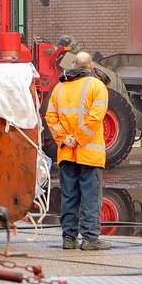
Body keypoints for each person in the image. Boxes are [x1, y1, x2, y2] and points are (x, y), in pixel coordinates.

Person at [45, 51, 111, 250]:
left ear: (73, 65)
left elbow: (50, 117)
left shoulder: (59, 88)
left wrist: (65, 139)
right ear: (91, 67)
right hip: (89, 154)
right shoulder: (97, 86)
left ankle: (69, 238)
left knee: (69, 196)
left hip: (66, 153)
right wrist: (79, 139)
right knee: (90, 197)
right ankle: (90, 239)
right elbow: (96, 117)